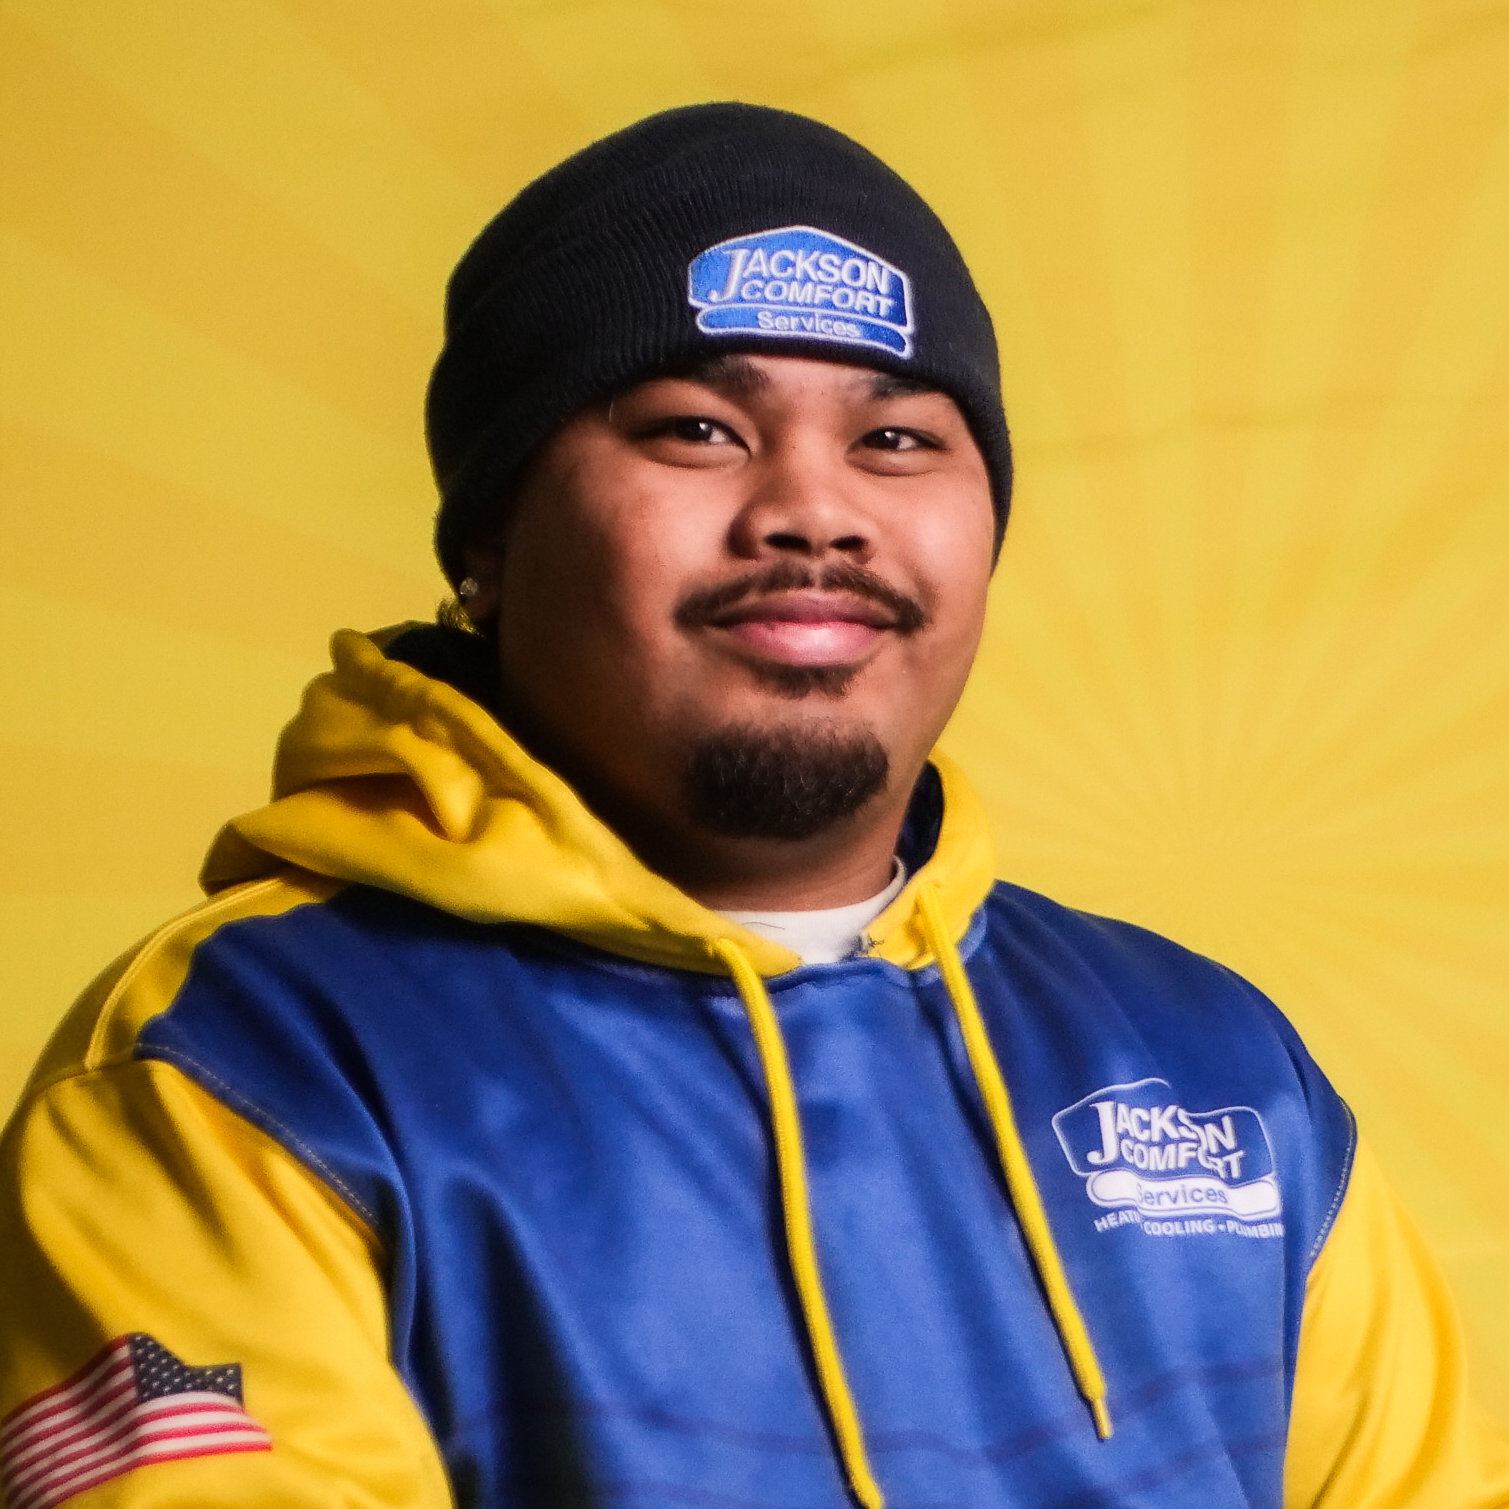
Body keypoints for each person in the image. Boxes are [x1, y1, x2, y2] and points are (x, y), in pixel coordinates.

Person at [1, 102, 1505, 1509]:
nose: (812, 505)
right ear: (488, 547)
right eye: (693, 429)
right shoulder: (241, 1070)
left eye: (898, 437)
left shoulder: (1217, 1071)